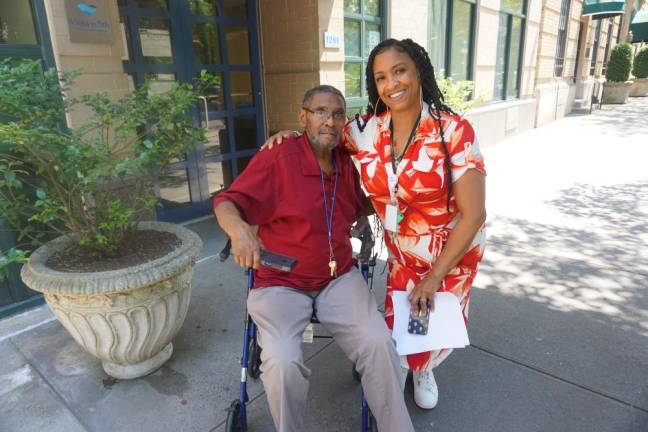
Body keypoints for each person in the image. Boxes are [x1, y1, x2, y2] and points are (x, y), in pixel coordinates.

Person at [264, 38, 487, 410]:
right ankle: (406, 360)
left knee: (433, 316)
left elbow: (474, 213)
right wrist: (290, 136)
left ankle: (423, 368)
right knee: (402, 313)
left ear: (418, 72)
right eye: (380, 76)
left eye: (399, 70)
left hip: (449, 250)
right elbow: (324, 135)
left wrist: (433, 277)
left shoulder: (453, 132)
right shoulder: (365, 130)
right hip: (401, 251)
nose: (391, 83)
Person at [213, 85, 414, 432]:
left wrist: (400, 199)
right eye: (320, 112)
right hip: (280, 281)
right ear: (302, 116)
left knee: (379, 343)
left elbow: (360, 202)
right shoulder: (279, 156)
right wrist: (239, 231)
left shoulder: (346, 161)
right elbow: (227, 201)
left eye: (337, 114)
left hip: (338, 279)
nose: (330, 121)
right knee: (282, 361)